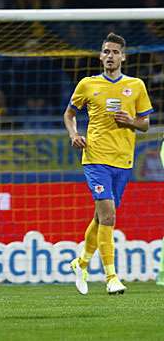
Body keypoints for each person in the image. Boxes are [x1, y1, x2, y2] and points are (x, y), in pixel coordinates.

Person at [64, 33, 154, 295]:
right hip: (95, 159)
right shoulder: (88, 84)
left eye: (115, 52)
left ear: (123, 56)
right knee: (109, 216)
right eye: (106, 51)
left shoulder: (136, 85)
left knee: (101, 217)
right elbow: (69, 114)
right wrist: (74, 134)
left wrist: (131, 122)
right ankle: (111, 277)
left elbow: (145, 125)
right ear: (101, 56)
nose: (110, 56)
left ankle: (80, 262)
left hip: (124, 160)